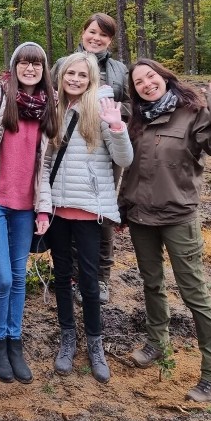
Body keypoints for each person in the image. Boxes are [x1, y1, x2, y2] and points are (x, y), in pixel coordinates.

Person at [118, 58, 211, 403]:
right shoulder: (137, 118)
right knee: (151, 283)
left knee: (194, 294)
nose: (146, 84)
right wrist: (123, 208)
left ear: (164, 78)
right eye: (139, 82)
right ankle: (157, 342)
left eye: (150, 77)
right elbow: (131, 169)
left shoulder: (192, 113)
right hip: (141, 217)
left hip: (178, 218)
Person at [35, 52, 133, 384]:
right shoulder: (54, 111)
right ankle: (67, 339)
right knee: (62, 276)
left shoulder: (100, 112)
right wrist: (45, 206)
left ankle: (95, 343)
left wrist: (118, 128)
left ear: (92, 78)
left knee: (90, 281)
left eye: (82, 75)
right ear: (60, 77)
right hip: (59, 210)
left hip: (90, 213)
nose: (75, 79)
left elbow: (124, 158)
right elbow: (45, 165)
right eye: (69, 74)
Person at [0, 42, 59, 383]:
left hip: (26, 207)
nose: (30, 69)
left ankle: (13, 342)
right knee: (3, 278)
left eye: (36, 64)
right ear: (15, 65)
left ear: (43, 69)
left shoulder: (50, 106)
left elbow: (45, 167)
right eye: (24, 63)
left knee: (19, 278)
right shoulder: (1, 98)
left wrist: (42, 209)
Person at [52, 13, 129, 303]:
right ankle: (72, 274)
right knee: (68, 208)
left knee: (101, 213)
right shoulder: (63, 63)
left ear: (110, 40)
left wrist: (114, 116)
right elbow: (50, 100)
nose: (96, 38)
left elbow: (131, 108)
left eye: (103, 35)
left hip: (105, 150)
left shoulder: (120, 70)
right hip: (68, 146)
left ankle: (101, 277)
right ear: (82, 32)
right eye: (92, 32)